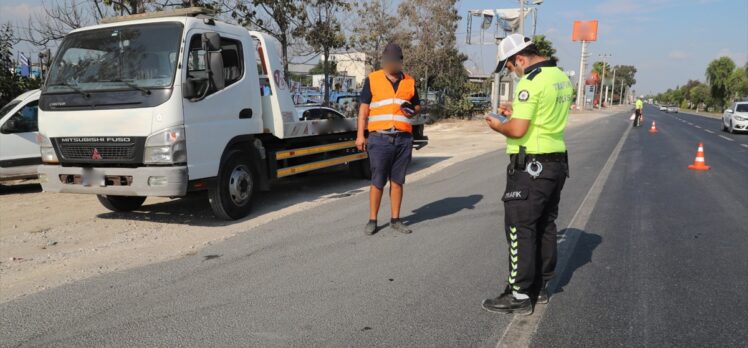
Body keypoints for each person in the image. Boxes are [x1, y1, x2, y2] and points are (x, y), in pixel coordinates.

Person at [481, 34, 573, 315]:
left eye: (510, 67)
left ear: (519, 59)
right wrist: (515, 111)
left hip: (531, 166)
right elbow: (543, 115)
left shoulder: (530, 83)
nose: (512, 72)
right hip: (556, 163)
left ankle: (519, 294)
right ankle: (540, 287)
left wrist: (497, 124)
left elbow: (518, 130)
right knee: (545, 225)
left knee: (519, 228)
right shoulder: (560, 77)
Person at [356, 43, 421, 235]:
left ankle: (395, 219)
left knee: (397, 181)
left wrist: (412, 110)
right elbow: (363, 110)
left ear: (400, 62)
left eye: (394, 60)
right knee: (377, 181)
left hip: (403, 139)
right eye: (388, 60)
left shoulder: (409, 81)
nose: (391, 64)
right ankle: (372, 220)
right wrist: (361, 135)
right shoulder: (373, 79)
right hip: (379, 139)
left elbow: (417, 107)